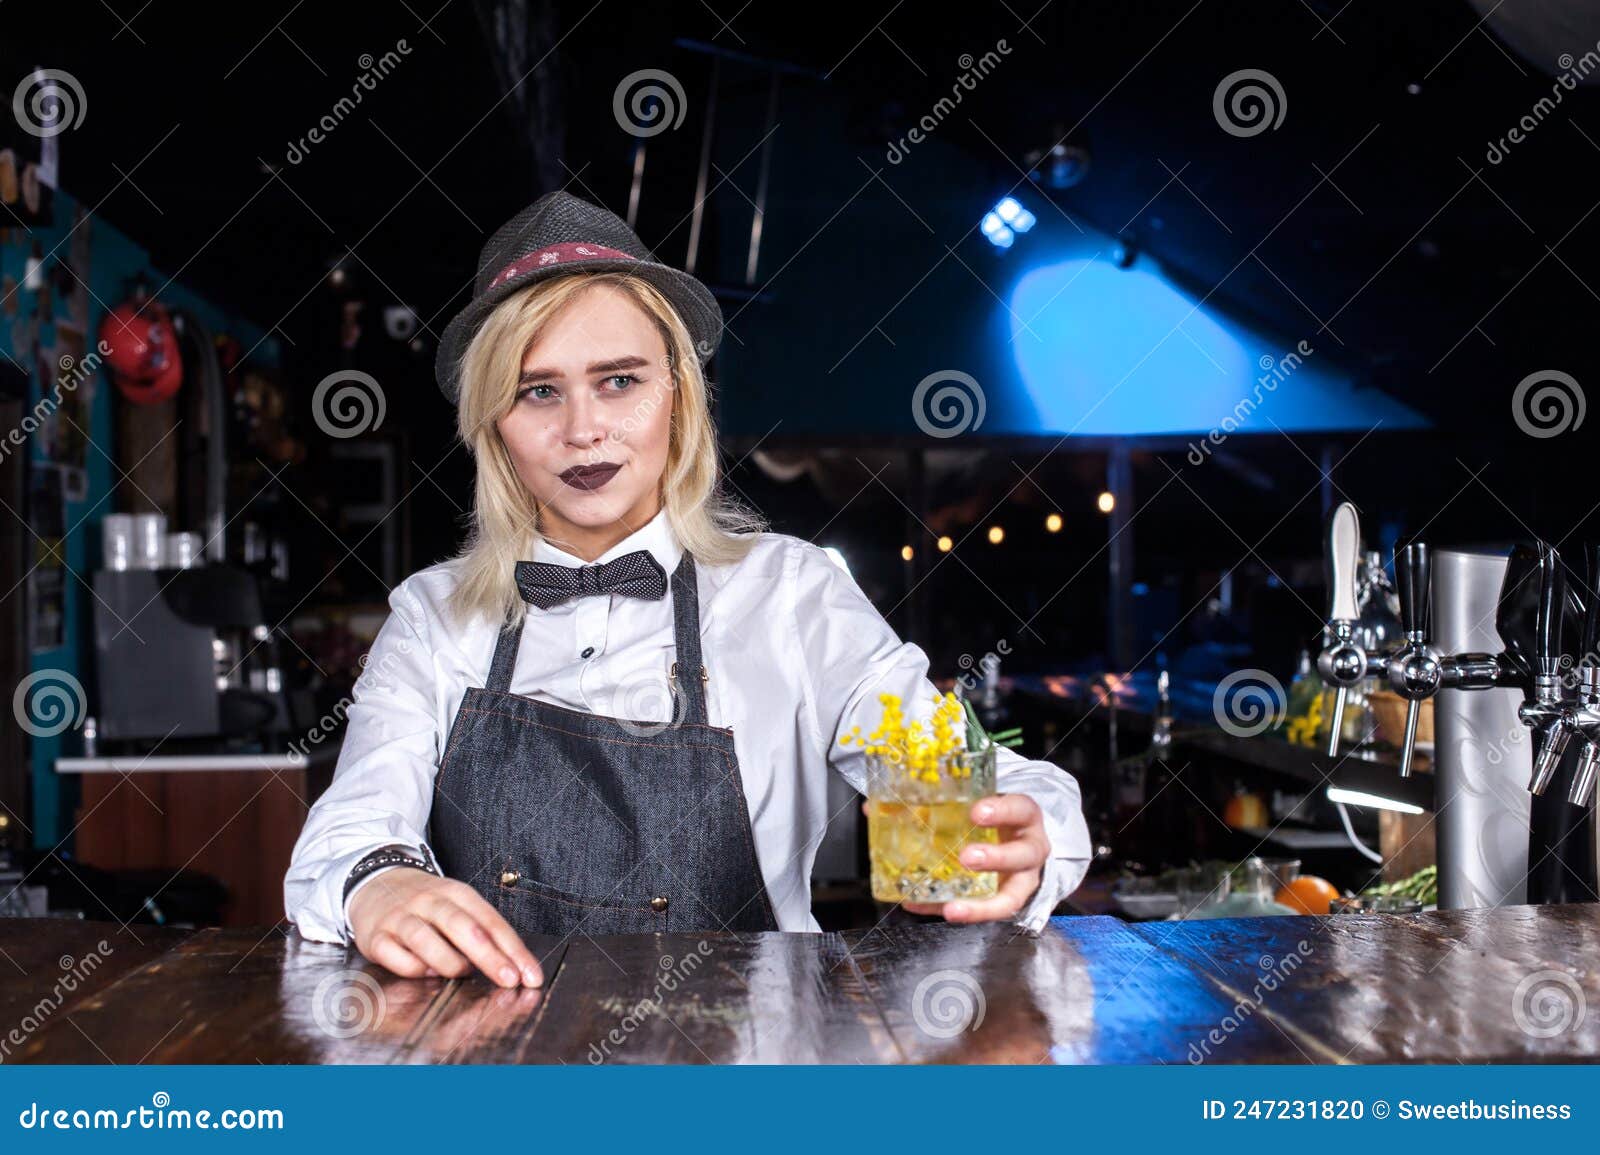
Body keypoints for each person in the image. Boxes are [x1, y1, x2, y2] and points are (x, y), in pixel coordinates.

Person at [284, 191, 1092, 989]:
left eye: (620, 380)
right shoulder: (431, 616)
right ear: (492, 419)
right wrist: (380, 881)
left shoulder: (793, 595)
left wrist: (1030, 830)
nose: (582, 428)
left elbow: (974, 774)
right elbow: (355, 825)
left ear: (678, 392)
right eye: (538, 390)